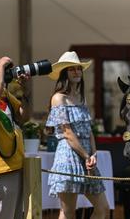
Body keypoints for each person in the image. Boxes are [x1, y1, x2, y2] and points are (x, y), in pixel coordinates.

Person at [46, 51, 109, 219]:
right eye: (72, 69)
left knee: (103, 209)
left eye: (79, 69)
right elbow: (67, 132)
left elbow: (88, 130)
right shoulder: (58, 98)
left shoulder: (81, 98)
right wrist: (87, 154)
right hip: (68, 156)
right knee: (68, 212)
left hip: (87, 157)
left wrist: (93, 153)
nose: (77, 72)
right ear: (64, 73)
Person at [0, 56, 30, 219]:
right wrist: (1, 63)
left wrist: (25, 91)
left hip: (15, 166)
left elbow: (24, 116)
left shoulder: (5, 94)